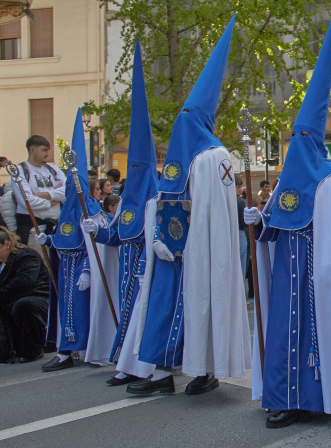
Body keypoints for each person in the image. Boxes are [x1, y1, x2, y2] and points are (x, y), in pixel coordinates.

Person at [245, 2, 331, 429]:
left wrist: (326, 273)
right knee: (284, 331)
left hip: (320, 276)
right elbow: (274, 223)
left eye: (305, 134)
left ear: (315, 138)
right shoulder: (288, 178)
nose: (298, 140)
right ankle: (284, 396)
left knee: (318, 332)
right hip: (288, 273)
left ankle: (322, 397)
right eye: (294, 135)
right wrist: (255, 220)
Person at [131, 16, 250, 396]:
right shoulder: (180, 157)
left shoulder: (215, 157)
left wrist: (191, 246)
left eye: (188, 115)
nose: (182, 121)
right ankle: (160, 374)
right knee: (162, 306)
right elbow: (165, 199)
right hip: (169, 250)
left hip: (199, 252)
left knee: (203, 307)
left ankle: (205, 371)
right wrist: (157, 237)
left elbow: (212, 212)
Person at [82, 41, 159, 387]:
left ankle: (141, 367)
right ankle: (124, 365)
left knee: (141, 318)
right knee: (127, 316)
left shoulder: (156, 199)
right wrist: (94, 230)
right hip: (125, 272)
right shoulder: (126, 203)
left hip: (145, 270)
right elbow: (114, 237)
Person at [36, 109, 119, 371]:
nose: (71, 190)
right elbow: (65, 238)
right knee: (65, 309)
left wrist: (87, 271)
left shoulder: (90, 209)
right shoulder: (67, 210)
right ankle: (67, 350)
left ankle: (79, 349)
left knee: (79, 310)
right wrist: (48, 240)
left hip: (82, 268)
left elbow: (96, 246)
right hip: (65, 267)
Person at [0, 228, 49, 363]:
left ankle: (33, 349)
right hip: (10, 298)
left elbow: (24, 282)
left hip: (37, 296)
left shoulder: (27, 256)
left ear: (6, 244)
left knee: (23, 305)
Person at [12, 135, 66, 247]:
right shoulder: (20, 171)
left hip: (55, 230)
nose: (47, 154)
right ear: (32, 149)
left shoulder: (53, 169)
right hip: (33, 231)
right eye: (44, 150)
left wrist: (44, 194)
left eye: (48, 150)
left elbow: (68, 191)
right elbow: (27, 201)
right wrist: (52, 201)